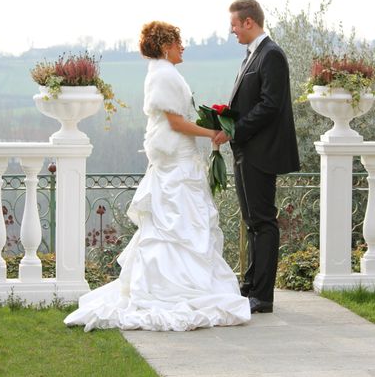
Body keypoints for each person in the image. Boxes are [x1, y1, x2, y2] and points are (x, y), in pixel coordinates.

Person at [64, 21, 250, 331]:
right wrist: (213, 133)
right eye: (179, 42)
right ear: (166, 46)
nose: (183, 47)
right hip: (176, 160)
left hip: (180, 158)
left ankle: (187, 285)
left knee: (182, 226)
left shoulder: (165, 73)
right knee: (174, 225)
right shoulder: (163, 74)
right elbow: (176, 123)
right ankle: (174, 290)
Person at [214, 0, 300, 314]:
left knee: (263, 222)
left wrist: (234, 131)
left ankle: (262, 296)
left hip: (260, 153)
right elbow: (252, 102)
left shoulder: (271, 55)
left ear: (249, 22)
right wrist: (222, 118)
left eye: (235, 25)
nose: (232, 31)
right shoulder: (253, 56)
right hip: (248, 151)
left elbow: (270, 105)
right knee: (252, 222)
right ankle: (250, 285)